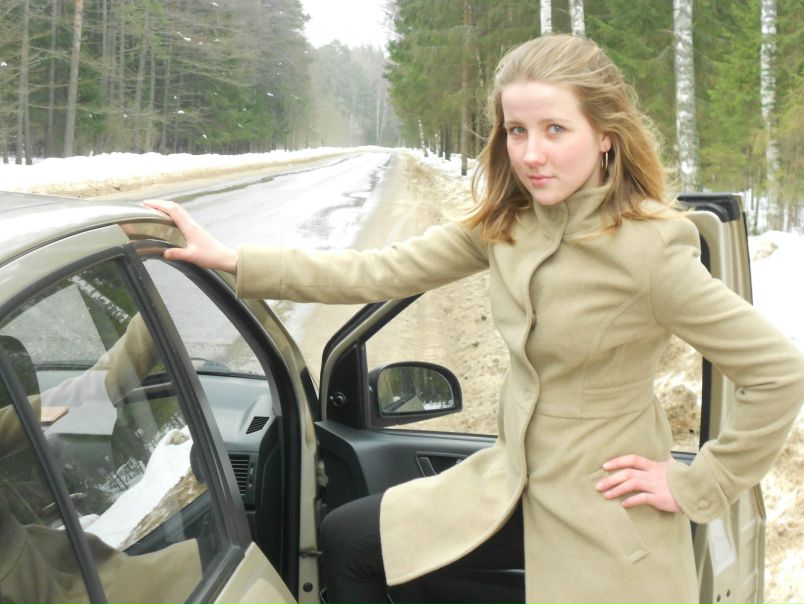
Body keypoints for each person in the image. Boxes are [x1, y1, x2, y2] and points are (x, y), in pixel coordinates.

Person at [144, 34, 804, 604]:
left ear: (606, 135)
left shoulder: (650, 247)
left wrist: (699, 483)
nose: (532, 154)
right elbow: (379, 271)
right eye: (517, 131)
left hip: (602, 509)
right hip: (508, 483)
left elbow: (778, 371)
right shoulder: (509, 223)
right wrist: (235, 260)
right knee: (348, 539)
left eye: (555, 130)